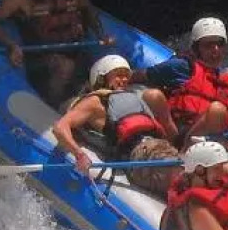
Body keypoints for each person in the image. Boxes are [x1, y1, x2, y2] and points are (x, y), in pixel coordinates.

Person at [50, 55, 182, 196]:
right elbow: (60, 127)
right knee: (182, 178)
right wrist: (79, 155)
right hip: (142, 155)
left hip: (161, 147)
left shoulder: (132, 97)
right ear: (101, 78)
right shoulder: (95, 102)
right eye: (118, 75)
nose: (124, 80)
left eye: (126, 76)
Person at [143, 17, 228, 143]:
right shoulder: (180, 66)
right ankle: (173, 147)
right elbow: (137, 76)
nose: (216, 50)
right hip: (174, 132)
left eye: (220, 44)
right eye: (209, 45)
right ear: (196, 48)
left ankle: (185, 150)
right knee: (152, 95)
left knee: (217, 110)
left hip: (211, 143)